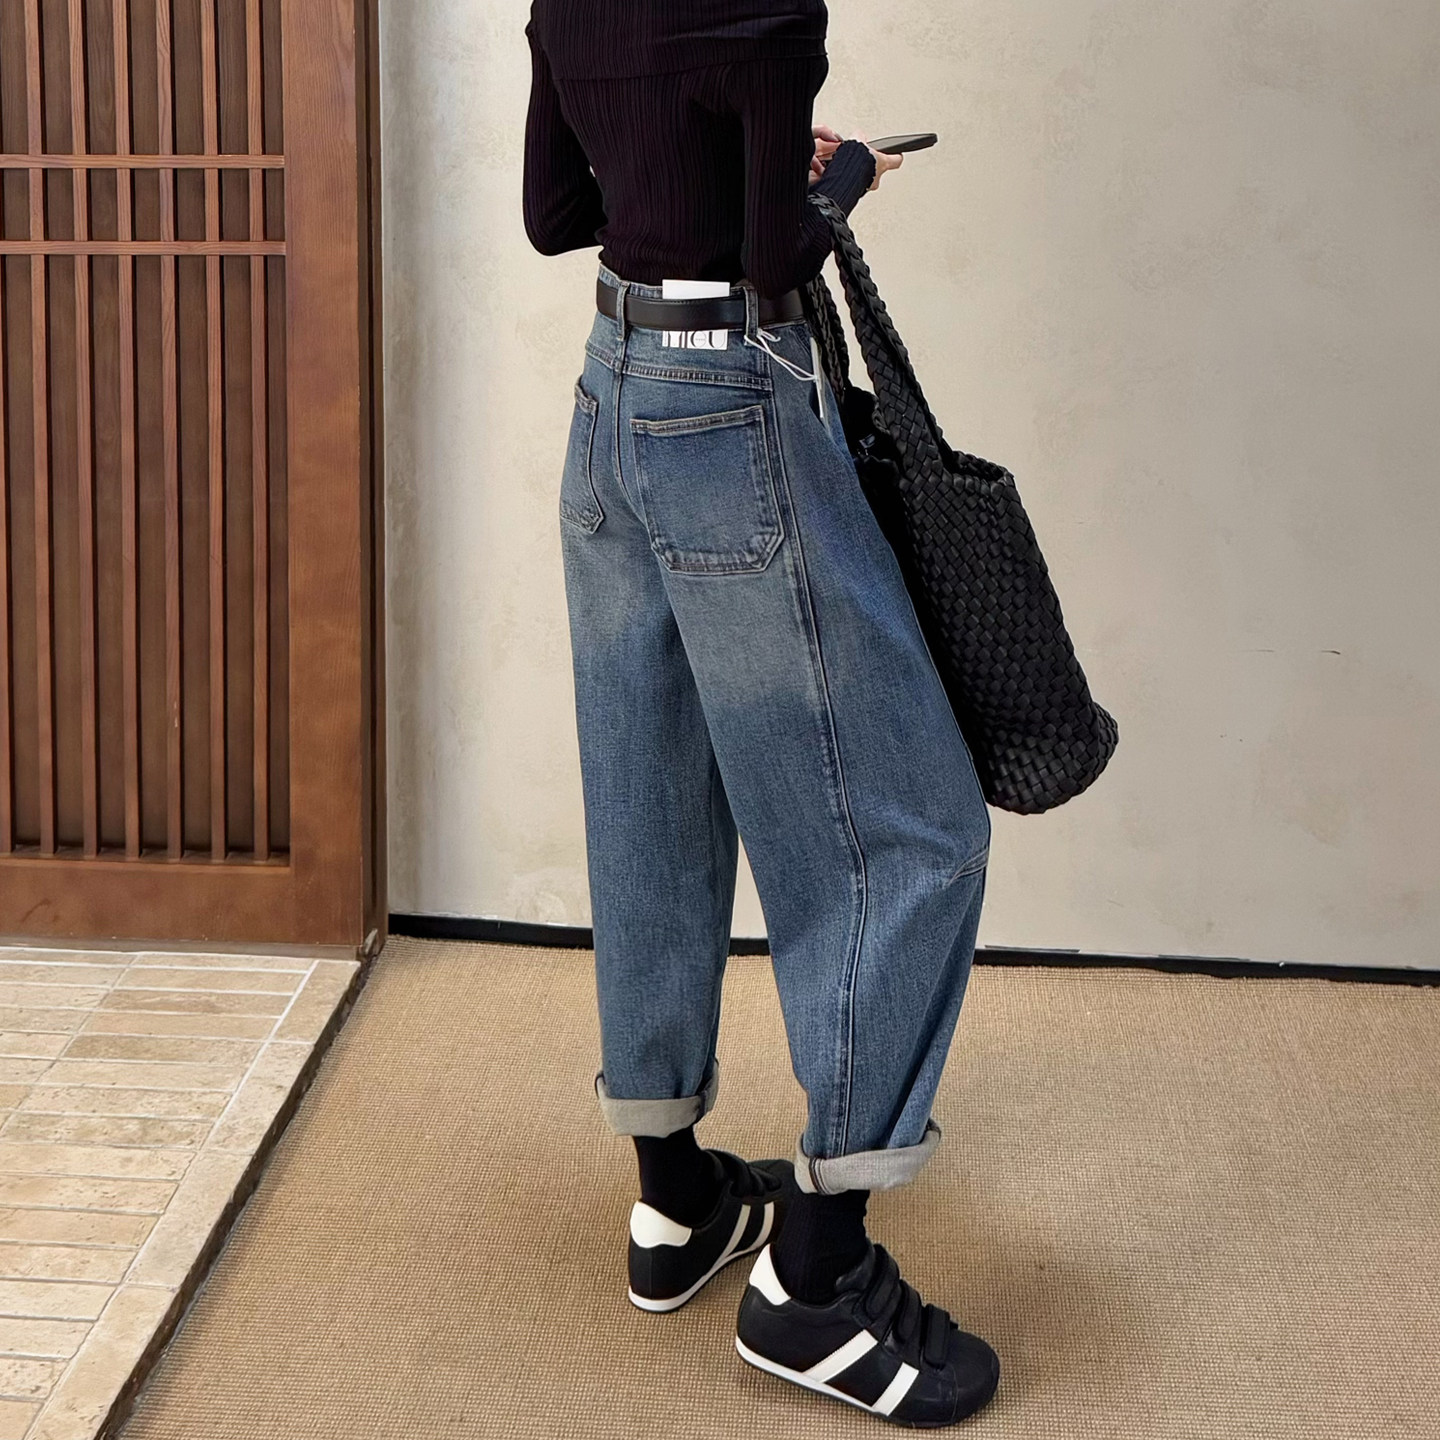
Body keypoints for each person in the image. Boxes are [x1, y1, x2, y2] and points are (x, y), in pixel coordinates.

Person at [522, 0, 999, 1426]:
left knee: (650, 794)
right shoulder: (769, 8)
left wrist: (732, 163)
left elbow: (559, 217)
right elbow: (780, 253)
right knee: (911, 831)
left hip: (608, 403)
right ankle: (818, 1277)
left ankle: (675, 1200)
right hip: (732, 406)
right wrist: (833, 176)